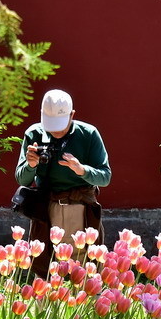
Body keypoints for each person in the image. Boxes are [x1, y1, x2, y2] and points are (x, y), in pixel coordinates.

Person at [16, 89, 111, 276]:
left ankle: (81, 294)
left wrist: (82, 170)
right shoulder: (34, 134)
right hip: (46, 209)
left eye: (60, 125)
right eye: (51, 125)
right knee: (44, 264)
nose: (56, 131)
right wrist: (31, 165)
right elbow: (22, 179)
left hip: (80, 208)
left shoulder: (88, 134)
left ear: (72, 115)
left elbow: (105, 177)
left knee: (84, 267)